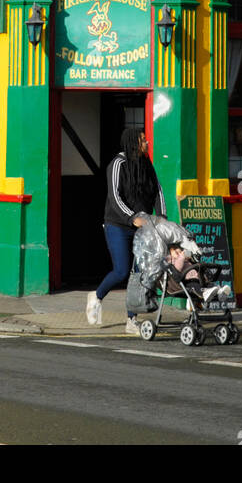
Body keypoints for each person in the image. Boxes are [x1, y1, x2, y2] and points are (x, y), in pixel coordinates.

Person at [87, 127, 166, 335]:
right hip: (118, 225)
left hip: (144, 226)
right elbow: (115, 196)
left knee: (139, 273)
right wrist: (132, 218)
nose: (146, 142)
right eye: (142, 140)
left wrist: (162, 218)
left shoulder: (147, 164)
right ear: (132, 143)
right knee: (122, 271)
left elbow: (158, 191)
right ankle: (96, 297)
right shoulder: (117, 164)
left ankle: (131, 320)